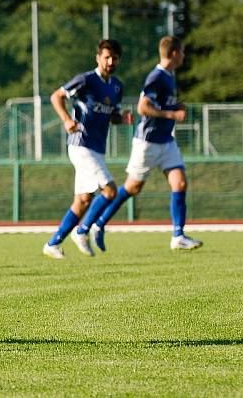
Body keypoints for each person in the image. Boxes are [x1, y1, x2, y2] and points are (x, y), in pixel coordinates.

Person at [77, 35, 202, 252]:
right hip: (148, 142)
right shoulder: (157, 77)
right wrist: (170, 115)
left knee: (180, 183)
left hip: (166, 141)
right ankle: (95, 224)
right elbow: (143, 107)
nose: (183, 56)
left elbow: (162, 105)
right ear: (174, 53)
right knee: (132, 187)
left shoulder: (170, 76)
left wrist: (174, 106)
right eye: (182, 52)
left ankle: (178, 235)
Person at [43, 39, 132, 259]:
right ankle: (82, 231)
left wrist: (122, 119)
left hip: (97, 148)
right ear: (98, 58)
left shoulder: (117, 87)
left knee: (83, 200)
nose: (110, 62)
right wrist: (66, 120)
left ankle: (53, 244)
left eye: (115, 58)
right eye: (106, 57)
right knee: (110, 191)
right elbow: (56, 96)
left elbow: (112, 117)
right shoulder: (86, 80)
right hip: (81, 145)